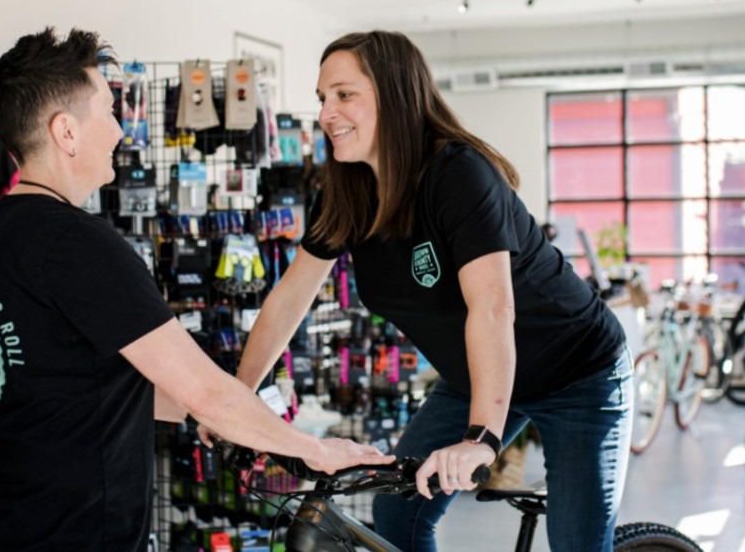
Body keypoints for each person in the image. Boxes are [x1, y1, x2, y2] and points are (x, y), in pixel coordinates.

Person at [0, 27, 392, 552]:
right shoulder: (78, 245)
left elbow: (72, 381)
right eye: (111, 112)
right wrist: (314, 450)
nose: (121, 131)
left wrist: (205, 417)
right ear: (66, 131)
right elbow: (206, 389)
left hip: (3, 526)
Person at [224, 30, 632, 552]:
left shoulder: (458, 174)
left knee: (576, 543)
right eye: (322, 98)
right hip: (475, 373)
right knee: (397, 509)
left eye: (344, 95)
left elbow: (491, 308)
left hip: (579, 374)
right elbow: (289, 299)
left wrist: (481, 438)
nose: (327, 113)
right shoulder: (348, 194)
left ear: (394, 95)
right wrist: (237, 401)